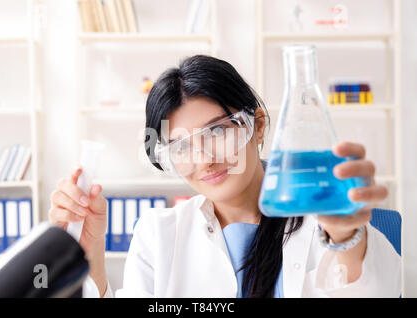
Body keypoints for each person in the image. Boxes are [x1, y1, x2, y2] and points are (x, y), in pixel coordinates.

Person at [49, 55, 401, 297]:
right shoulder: (158, 233)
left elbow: (378, 287)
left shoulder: (321, 219)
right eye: (181, 147)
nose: (204, 159)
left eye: (217, 132)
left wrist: (345, 237)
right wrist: (89, 251)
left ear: (258, 126)